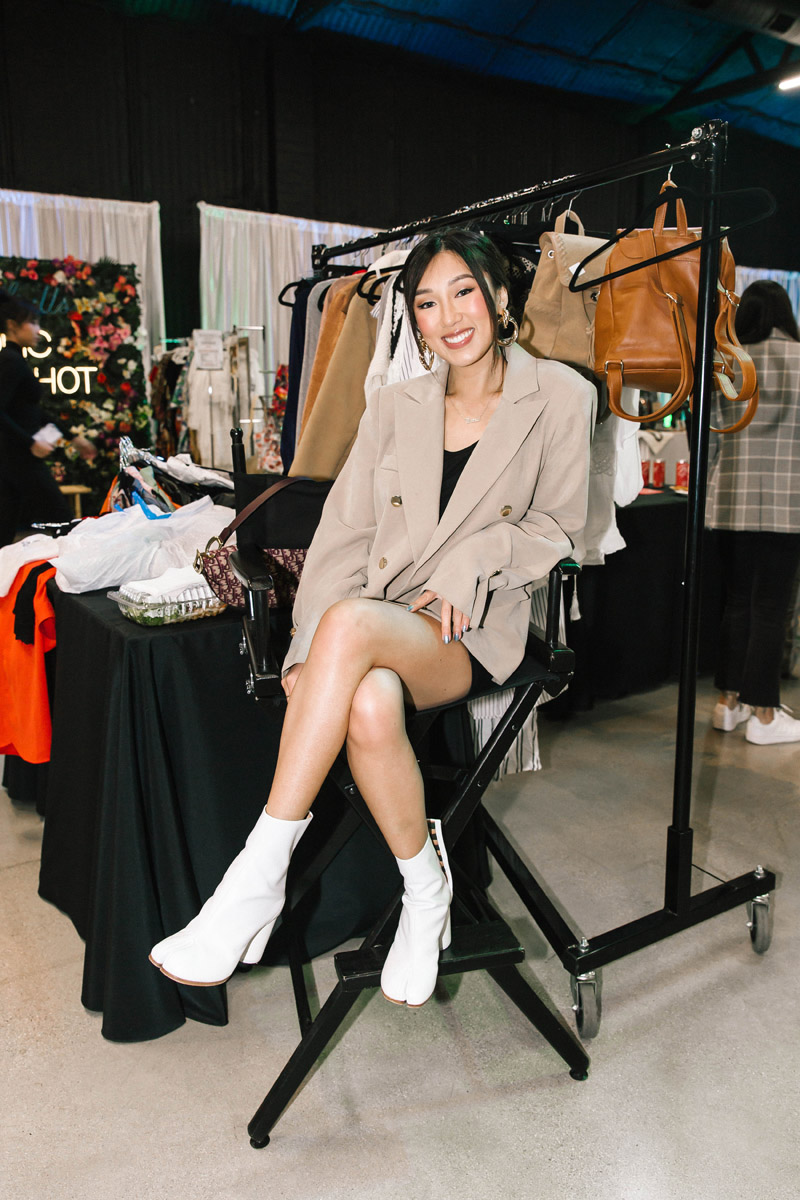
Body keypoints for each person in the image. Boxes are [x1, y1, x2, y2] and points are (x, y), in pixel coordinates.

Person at [150, 230, 595, 1007]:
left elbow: (561, 528)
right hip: (377, 616)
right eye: (426, 303)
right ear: (412, 319)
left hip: (472, 623)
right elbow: (343, 536)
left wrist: (478, 553)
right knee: (367, 699)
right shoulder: (395, 406)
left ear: (499, 298)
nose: (448, 316)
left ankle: (256, 877)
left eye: (463, 292)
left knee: (351, 628)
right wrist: (307, 648)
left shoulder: (561, 395)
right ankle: (426, 894)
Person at [708, 279, 800, 745]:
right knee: (771, 607)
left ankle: (728, 704)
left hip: (730, 500)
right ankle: (764, 714)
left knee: (737, 602)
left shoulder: (729, 362)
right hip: (789, 504)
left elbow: (707, 435)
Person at [0, 289, 97, 547]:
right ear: (12, 326)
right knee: (62, 520)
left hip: (15, 458)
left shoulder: (14, 359)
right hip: (20, 459)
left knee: (6, 527)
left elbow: (32, 412)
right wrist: (31, 442)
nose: (38, 330)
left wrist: (72, 437)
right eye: (32, 323)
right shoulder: (10, 360)